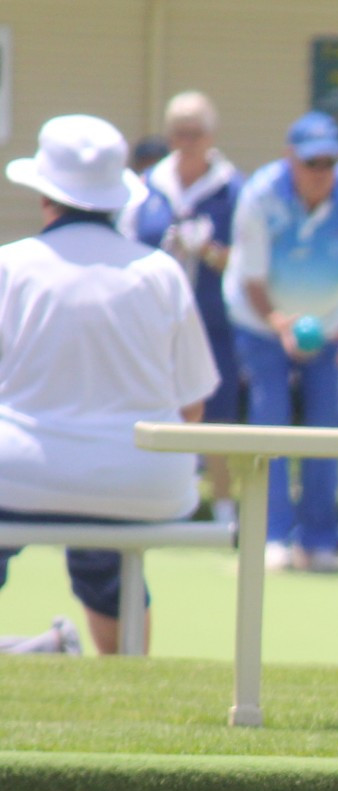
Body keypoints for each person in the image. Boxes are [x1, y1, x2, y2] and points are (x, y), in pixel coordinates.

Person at [0, 115, 219, 654]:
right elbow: (193, 408)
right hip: (145, 483)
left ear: (44, 194)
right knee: (107, 551)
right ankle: (126, 680)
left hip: (17, 473)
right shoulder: (160, 271)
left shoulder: (9, 266)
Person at [225, 111, 338, 573]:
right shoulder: (260, 195)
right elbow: (251, 278)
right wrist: (279, 324)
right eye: (312, 162)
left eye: (330, 162)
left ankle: (318, 540)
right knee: (269, 422)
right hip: (261, 321)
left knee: (323, 428)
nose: (322, 172)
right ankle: (270, 536)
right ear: (289, 158)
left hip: (329, 323)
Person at [125, 91, 243, 528]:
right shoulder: (146, 187)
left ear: (211, 136)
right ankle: (150, 500)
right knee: (153, 404)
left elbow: (249, 262)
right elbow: (127, 248)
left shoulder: (233, 188)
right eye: (178, 132)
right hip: (154, 321)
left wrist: (209, 251)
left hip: (214, 320)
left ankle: (225, 509)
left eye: (195, 133)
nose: (186, 141)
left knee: (218, 411)